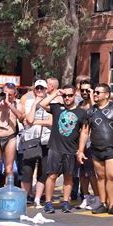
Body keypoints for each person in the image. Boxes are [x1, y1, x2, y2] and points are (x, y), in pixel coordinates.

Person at [77, 83, 113, 216]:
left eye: (98, 92)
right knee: (100, 177)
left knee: (111, 176)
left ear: (107, 94)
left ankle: (112, 204)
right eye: (94, 92)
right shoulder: (90, 111)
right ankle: (103, 203)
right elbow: (84, 132)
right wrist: (81, 150)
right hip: (96, 149)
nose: (95, 94)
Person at [40, 84, 88, 213]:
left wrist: (80, 150)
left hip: (71, 149)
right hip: (55, 147)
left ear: (75, 95)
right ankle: (48, 202)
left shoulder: (81, 112)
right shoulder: (57, 108)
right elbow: (42, 104)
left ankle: (66, 202)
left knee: (68, 176)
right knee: (52, 175)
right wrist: (55, 94)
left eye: (70, 95)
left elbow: (84, 133)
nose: (67, 98)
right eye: (65, 95)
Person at [0, 83, 24, 203]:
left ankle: (9, 192)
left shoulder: (18, 104)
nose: (8, 96)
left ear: (15, 94)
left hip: (10, 137)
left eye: (10, 94)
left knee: (8, 169)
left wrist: (10, 105)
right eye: (5, 93)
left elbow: (21, 117)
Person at [22, 79, 52, 208]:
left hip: (46, 139)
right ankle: (25, 198)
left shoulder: (52, 101)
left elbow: (51, 122)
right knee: (27, 170)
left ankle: (38, 199)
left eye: (42, 88)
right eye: (37, 88)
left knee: (43, 170)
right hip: (31, 139)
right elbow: (28, 119)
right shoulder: (29, 102)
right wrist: (35, 103)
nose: (40, 91)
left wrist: (35, 122)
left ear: (46, 89)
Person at [75, 80, 100, 210]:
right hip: (80, 142)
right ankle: (85, 196)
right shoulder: (79, 105)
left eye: (87, 90)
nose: (84, 92)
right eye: (82, 90)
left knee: (91, 173)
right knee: (82, 173)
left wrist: (92, 96)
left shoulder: (95, 105)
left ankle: (97, 197)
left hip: (92, 142)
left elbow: (96, 111)